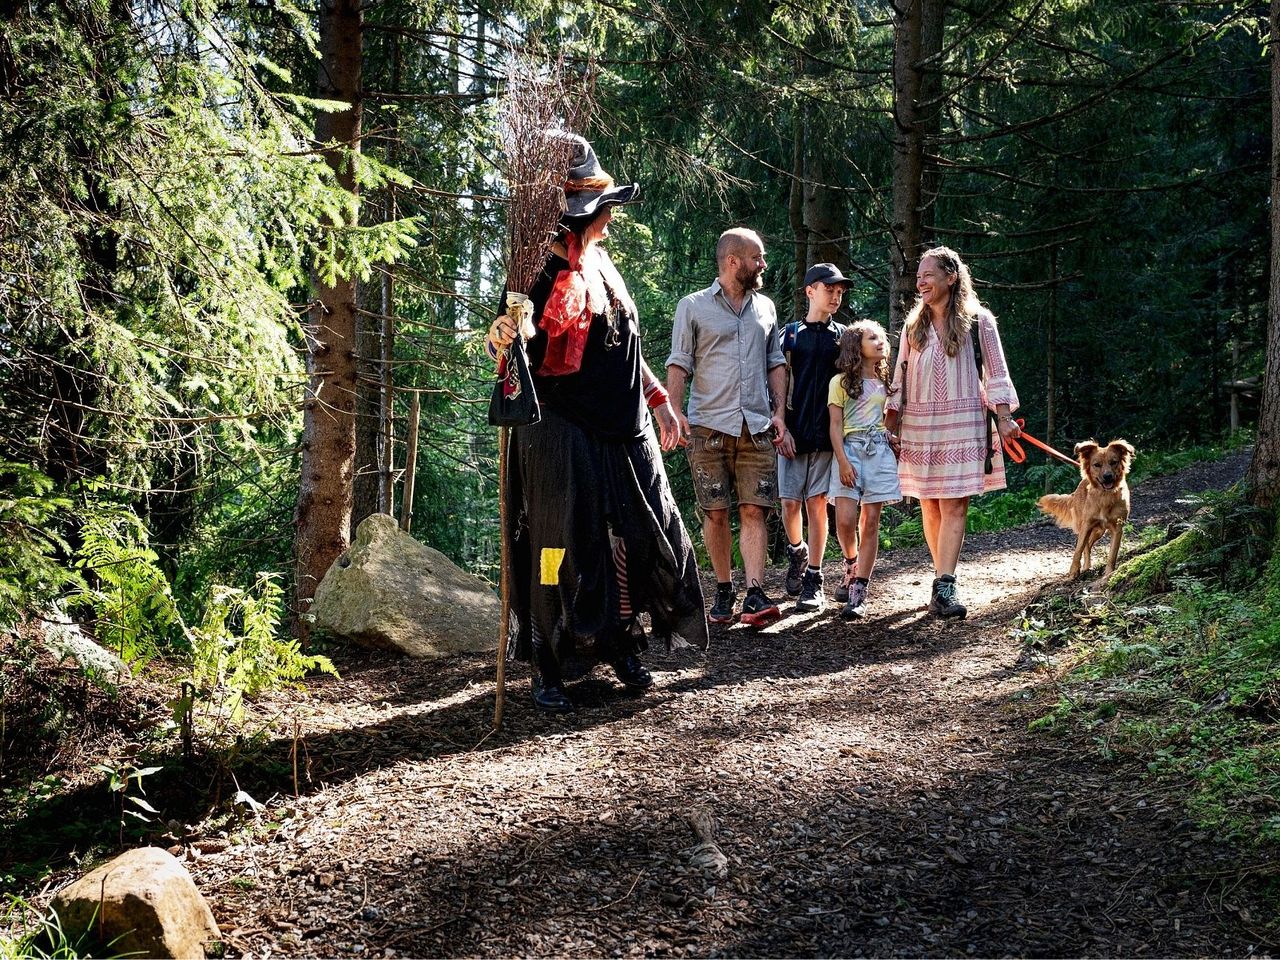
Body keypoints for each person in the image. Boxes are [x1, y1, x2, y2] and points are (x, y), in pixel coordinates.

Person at [486, 133, 708, 712]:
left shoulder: (603, 262)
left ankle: (619, 640)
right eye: (603, 211)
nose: (610, 219)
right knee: (556, 545)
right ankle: (549, 660)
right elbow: (510, 341)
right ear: (577, 218)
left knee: (641, 534)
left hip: (623, 425)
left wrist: (658, 397)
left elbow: (623, 344)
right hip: (558, 431)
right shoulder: (534, 273)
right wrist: (502, 335)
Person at [885, 246, 1021, 619]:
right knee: (929, 503)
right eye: (919, 277)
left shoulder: (980, 321)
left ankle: (945, 583)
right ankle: (941, 581)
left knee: (954, 502)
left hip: (964, 423)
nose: (921, 281)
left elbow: (997, 373)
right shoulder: (914, 326)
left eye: (928, 274)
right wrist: (890, 425)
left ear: (951, 277)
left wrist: (1005, 418)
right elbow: (900, 379)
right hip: (920, 425)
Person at [666, 228, 787, 627]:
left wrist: (780, 413)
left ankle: (754, 593)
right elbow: (679, 361)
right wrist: (674, 410)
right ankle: (723, 588)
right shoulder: (693, 306)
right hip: (707, 427)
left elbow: (775, 363)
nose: (762, 264)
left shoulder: (765, 307)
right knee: (716, 513)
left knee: (756, 509)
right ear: (733, 261)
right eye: (757, 257)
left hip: (756, 427)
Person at [778, 263, 851, 613]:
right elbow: (772, 383)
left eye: (840, 291)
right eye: (829, 289)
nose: (835, 295)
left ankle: (815, 577)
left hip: (827, 436)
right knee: (790, 503)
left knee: (817, 505)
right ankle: (797, 551)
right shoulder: (788, 335)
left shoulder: (845, 337)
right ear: (810, 291)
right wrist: (778, 427)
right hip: (791, 435)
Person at [827, 320, 901, 619]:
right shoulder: (840, 382)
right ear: (856, 347)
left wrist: (892, 435)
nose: (880, 342)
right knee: (845, 520)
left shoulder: (888, 384)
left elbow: (889, 419)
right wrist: (843, 461)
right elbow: (834, 425)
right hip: (850, 450)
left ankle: (859, 590)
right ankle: (850, 561)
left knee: (870, 522)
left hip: (879, 452)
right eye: (872, 338)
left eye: (882, 337)